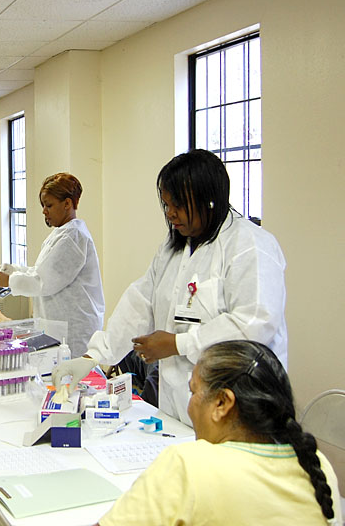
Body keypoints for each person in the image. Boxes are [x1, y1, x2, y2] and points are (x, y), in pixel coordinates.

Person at [52, 150, 288, 425]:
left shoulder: (251, 246)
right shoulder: (176, 246)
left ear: (209, 200)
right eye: (166, 205)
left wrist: (178, 344)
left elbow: (253, 325)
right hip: (179, 407)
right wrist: (94, 356)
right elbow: (142, 300)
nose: (170, 213)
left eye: (177, 205)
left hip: (238, 411)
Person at [98, 341, 340, 525]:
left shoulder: (188, 465)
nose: (189, 405)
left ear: (223, 403)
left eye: (193, 392)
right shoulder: (318, 466)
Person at [0, 172, 104, 357]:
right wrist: (14, 270)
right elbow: (42, 272)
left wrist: (10, 280)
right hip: (58, 325)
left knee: (72, 378)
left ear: (67, 203)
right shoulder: (62, 233)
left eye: (49, 205)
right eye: (43, 205)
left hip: (73, 329)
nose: (44, 211)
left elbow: (44, 282)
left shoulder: (73, 237)